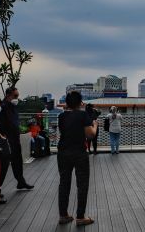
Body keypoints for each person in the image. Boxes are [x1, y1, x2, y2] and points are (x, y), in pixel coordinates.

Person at [58, 91, 97, 226]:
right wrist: (95, 125)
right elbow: (90, 134)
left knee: (64, 183)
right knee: (82, 185)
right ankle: (80, 217)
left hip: (63, 152)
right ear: (80, 102)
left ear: (67, 102)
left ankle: (63, 215)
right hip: (79, 153)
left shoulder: (61, 116)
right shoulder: (83, 115)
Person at [0, 87, 33, 190]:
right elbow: (0, 123)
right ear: (8, 95)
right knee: (4, 164)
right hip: (8, 139)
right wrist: (4, 137)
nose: (17, 98)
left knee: (17, 161)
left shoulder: (12, 106)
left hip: (15, 138)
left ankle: (21, 182)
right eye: (15, 96)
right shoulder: (3, 107)